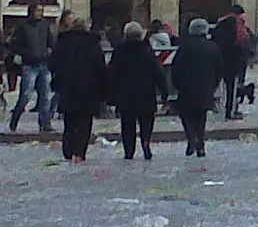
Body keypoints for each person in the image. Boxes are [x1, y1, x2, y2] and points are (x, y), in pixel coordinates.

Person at [50, 17, 107, 163]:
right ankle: (79, 152)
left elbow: (53, 63)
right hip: (89, 86)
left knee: (69, 121)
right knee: (85, 121)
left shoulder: (63, 42)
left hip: (67, 85)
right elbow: (100, 67)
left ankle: (68, 150)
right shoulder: (93, 44)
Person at [109, 21, 168, 160]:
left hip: (126, 93)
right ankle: (146, 142)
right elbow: (157, 72)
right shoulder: (147, 50)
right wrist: (164, 91)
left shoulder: (119, 51)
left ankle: (129, 150)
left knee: (127, 124)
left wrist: (111, 94)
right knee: (146, 121)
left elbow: (113, 74)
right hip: (146, 93)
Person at [171, 18, 224, 158]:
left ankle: (191, 138)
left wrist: (177, 84)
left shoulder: (185, 47)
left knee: (186, 114)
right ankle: (200, 143)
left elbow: (176, 68)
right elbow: (219, 68)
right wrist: (213, 84)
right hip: (206, 87)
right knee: (201, 116)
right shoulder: (213, 47)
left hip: (187, 87)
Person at [8, 2, 56, 133]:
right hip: (29, 64)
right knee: (26, 95)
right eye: (38, 10)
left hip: (44, 64)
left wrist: (49, 52)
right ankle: (15, 118)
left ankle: (45, 124)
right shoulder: (23, 27)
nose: (40, 13)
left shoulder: (45, 26)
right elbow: (15, 44)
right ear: (31, 11)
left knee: (45, 95)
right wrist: (25, 54)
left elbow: (50, 42)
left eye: (42, 10)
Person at [213, 4, 250, 120]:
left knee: (221, 87)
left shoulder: (220, 23)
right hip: (233, 60)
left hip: (220, 60)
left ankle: (221, 109)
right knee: (232, 88)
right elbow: (241, 40)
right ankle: (230, 111)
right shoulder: (237, 23)